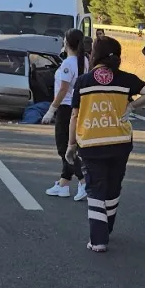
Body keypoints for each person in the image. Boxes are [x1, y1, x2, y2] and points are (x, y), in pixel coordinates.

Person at [67, 36, 145, 252]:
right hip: (119, 142)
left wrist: (71, 145)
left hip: (91, 142)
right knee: (113, 187)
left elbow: (74, 117)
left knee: (95, 188)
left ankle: (98, 239)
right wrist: (132, 107)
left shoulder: (84, 81)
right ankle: (108, 228)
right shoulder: (125, 79)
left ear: (94, 54)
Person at [42, 29, 88, 200]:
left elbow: (63, 89)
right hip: (78, 107)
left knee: (64, 148)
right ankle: (64, 184)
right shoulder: (84, 60)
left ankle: (84, 182)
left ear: (67, 43)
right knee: (71, 147)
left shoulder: (68, 63)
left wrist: (51, 109)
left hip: (66, 107)